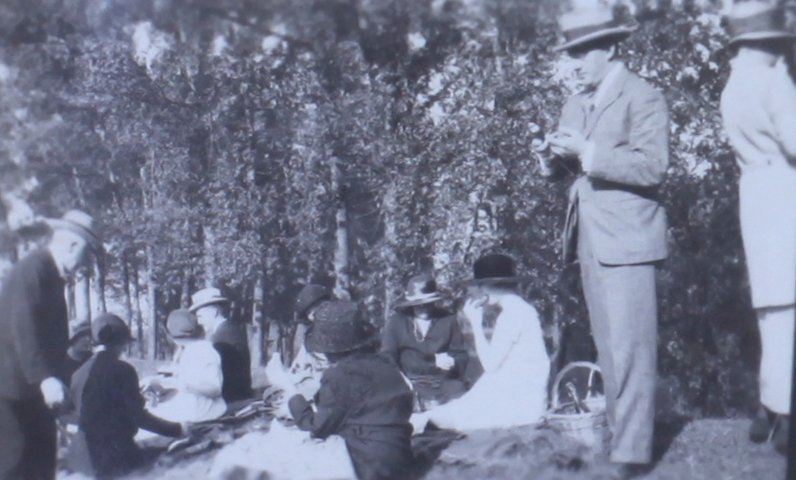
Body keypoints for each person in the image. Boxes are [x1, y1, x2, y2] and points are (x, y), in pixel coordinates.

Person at [535, 2, 669, 475]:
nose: (571, 64)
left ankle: (632, 455)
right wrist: (552, 158)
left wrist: (587, 152)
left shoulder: (643, 96)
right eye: (568, 54)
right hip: (589, 238)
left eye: (580, 53)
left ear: (610, 48)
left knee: (632, 349)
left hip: (629, 238)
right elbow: (571, 168)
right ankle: (620, 438)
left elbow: (653, 168)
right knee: (609, 348)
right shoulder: (576, 101)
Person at [719, 0, 796, 455]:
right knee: (788, 307)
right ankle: (785, 413)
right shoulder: (773, 82)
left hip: (755, 195)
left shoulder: (733, 86)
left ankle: (768, 407)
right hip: (785, 192)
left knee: (771, 307)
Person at [0, 209, 99, 480]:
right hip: (13, 393)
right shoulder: (33, 270)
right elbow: (24, 327)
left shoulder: (49, 273)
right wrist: (45, 379)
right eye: (86, 254)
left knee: (42, 465)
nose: (85, 263)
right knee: (15, 465)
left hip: (31, 392)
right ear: (72, 245)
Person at [411, 254, 549, 432]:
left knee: (443, 417)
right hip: (520, 393)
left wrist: (475, 323)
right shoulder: (521, 309)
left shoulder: (513, 314)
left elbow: (490, 364)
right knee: (452, 410)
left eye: (478, 285)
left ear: (485, 287)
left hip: (520, 404)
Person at [288, 300, 415, 480]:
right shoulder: (386, 365)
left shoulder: (339, 375)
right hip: (401, 457)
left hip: (366, 465)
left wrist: (291, 391)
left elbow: (317, 427)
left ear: (329, 349)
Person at [70, 313, 185, 479]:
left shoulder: (78, 374)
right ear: (121, 342)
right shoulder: (123, 370)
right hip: (114, 458)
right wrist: (178, 429)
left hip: (81, 459)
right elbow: (138, 418)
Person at [381, 273, 469, 409]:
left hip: (442, 381)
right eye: (418, 304)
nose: (423, 308)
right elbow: (388, 356)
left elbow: (461, 354)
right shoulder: (397, 322)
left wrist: (453, 362)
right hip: (410, 380)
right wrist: (401, 378)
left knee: (459, 394)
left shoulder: (448, 320)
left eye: (428, 304)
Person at [144, 309, 226, 423]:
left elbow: (215, 389)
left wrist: (181, 385)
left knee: (150, 415)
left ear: (173, 337)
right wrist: (161, 383)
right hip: (192, 402)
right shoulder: (187, 349)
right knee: (149, 408)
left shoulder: (204, 351)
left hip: (203, 409)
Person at [189, 287, 252, 402]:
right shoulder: (225, 330)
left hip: (232, 398)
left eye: (200, 317)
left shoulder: (225, 334)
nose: (199, 322)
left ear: (214, 312)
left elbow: (219, 375)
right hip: (232, 394)